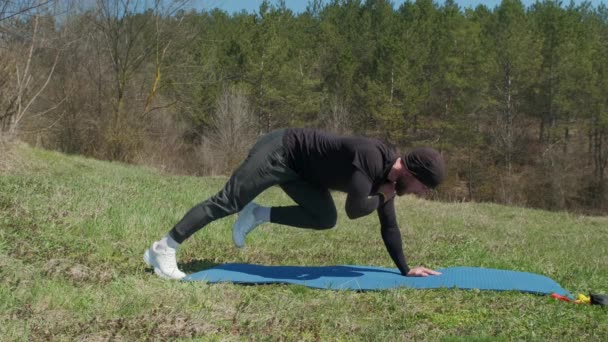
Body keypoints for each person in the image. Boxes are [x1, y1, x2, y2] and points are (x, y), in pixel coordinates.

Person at [144, 128, 446, 280]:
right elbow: (355, 210)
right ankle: (164, 247)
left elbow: (388, 224)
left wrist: (405, 269)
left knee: (324, 217)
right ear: (411, 172)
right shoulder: (370, 158)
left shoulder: (390, 181)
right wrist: (382, 196)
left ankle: (258, 213)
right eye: (424, 187)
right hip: (281, 152)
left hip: (303, 173)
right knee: (228, 201)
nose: (422, 193)